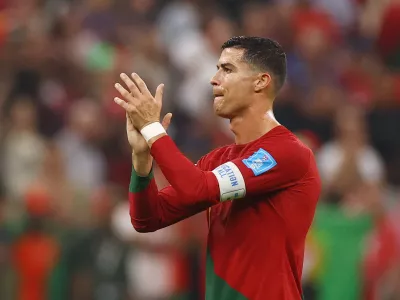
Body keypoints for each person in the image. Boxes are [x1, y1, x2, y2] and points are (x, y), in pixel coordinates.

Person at [113, 36, 321, 300]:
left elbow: (197, 189)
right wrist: (142, 160)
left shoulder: (288, 153)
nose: (214, 79)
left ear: (261, 81)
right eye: (217, 68)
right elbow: (148, 219)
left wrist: (154, 130)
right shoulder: (218, 160)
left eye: (227, 69)